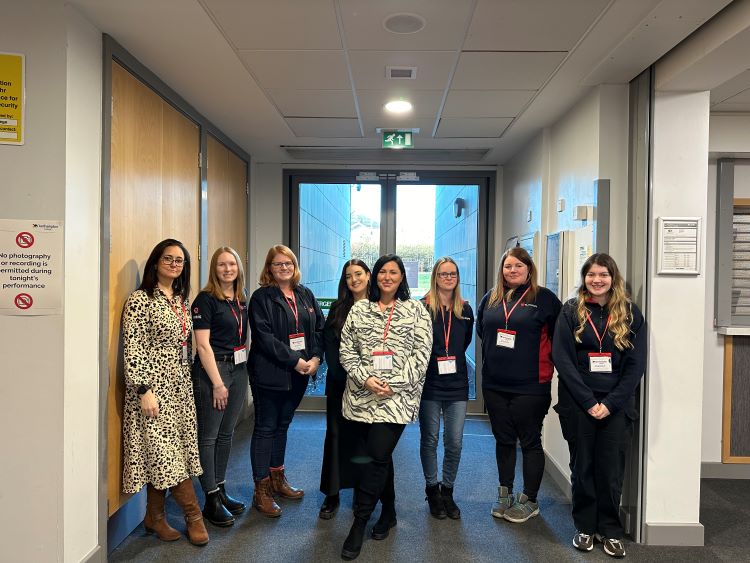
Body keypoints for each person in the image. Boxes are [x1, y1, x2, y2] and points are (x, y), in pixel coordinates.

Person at [338, 254, 432, 560]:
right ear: (375, 277)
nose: (387, 277)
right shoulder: (359, 309)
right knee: (377, 458)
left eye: (393, 272)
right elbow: (347, 352)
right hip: (361, 398)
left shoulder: (415, 310)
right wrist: (365, 378)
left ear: (402, 277)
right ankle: (389, 512)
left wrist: (395, 383)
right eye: (382, 272)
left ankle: (359, 522)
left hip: (396, 398)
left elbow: (422, 354)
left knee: (377, 454)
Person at [552, 253, 646, 558]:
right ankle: (585, 527)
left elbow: (635, 366)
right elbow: (563, 360)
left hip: (616, 406)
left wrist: (610, 403)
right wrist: (590, 402)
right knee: (583, 466)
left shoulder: (631, 314)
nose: (597, 280)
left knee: (611, 469)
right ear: (584, 277)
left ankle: (610, 530)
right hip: (579, 404)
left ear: (612, 277)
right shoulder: (571, 311)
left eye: (603, 274)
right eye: (591, 274)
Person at [121, 238, 208, 546]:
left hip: (180, 389)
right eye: (168, 259)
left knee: (172, 452)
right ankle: (193, 516)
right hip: (152, 389)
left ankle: (155, 516)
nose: (174, 264)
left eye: (180, 260)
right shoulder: (140, 299)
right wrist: (143, 389)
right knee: (167, 454)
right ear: (156, 262)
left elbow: (188, 345)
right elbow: (133, 347)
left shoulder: (182, 300)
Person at [476, 247, 561, 524]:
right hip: (495, 384)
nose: (512, 271)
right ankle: (505, 493)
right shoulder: (490, 298)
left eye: (518, 266)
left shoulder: (545, 299)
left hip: (531, 386)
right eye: (507, 266)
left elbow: (560, 338)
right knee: (503, 439)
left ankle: (530, 499)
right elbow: (482, 331)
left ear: (529, 269)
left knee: (529, 441)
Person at [247, 244, 325, 517]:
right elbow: (265, 338)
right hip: (270, 373)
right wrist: (295, 360)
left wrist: (315, 359)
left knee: (283, 425)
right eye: (278, 264)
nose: (284, 268)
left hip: (299, 374)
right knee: (266, 427)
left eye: (288, 263)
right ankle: (261, 490)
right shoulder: (261, 298)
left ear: (295, 266)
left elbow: (318, 329)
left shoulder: (305, 294)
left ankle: (278, 480)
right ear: (269, 268)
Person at [191, 246, 249, 527]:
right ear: (214, 269)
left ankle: (221, 487)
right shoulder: (206, 300)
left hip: (239, 369)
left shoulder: (241, 298)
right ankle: (210, 497)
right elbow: (202, 345)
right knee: (209, 435)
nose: (227, 269)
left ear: (238, 267)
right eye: (221, 265)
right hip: (214, 371)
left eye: (232, 264)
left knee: (228, 432)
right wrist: (216, 383)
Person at [418, 257, 474, 520]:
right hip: (430, 384)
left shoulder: (466, 309)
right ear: (435, 276)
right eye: (443, 274)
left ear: (457, 278)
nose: (448, 278)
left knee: (454, 442)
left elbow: (463, 344)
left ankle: (448, 491)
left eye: (453, 274)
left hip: (457, 385)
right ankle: (432, 490)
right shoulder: (422, 308)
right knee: (429, 440)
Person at [319, 259, 372, 519]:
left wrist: (366, 379)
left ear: (368, 275)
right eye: (349, 275)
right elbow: (330, 347)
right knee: (336, 437)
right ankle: (332, 494)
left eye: (358, 274)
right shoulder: (339, 309)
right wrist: (349, 376)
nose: (354, 279)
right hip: (340, 384)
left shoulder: (379, 307)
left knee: (364, 441)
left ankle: (363, 492)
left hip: (370, 389)